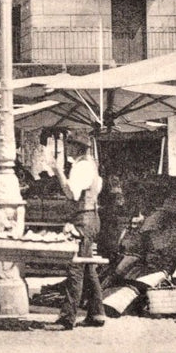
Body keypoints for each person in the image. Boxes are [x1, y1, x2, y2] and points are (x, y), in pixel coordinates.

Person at [50, 133, 106, 330]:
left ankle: (67, 318)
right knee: (88, 267)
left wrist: (58, 172)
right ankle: (97, 313)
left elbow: (72, 194)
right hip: (91, 217)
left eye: (70, 145)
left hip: (83, 219)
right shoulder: (92, 165)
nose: (68, 149)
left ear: (76, 147)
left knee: (75, 267)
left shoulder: (81, 167)